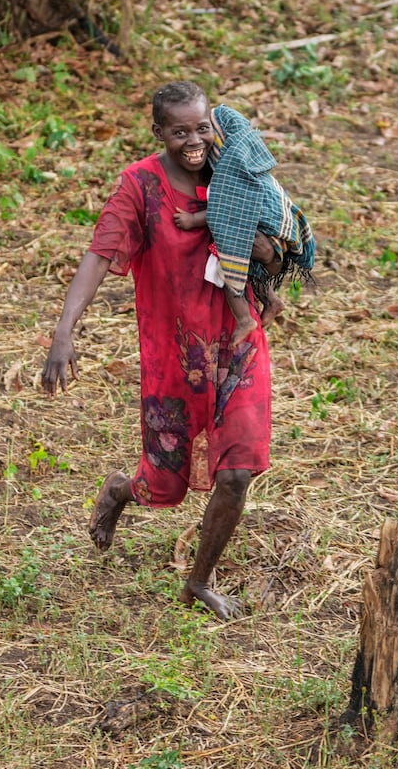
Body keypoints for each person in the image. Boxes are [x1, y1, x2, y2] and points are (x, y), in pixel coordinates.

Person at [41, 81, 281, 620]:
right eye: (180, 132)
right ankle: (120, 492)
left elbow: (274, 241)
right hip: (176, 356)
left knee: (237, 470)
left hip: (240, 341)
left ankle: (199, 581)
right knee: (163, 478)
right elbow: (101, 253)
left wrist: (266, 250)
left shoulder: (234, 170)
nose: (194, 141)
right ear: (159, 133)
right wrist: (63, 332)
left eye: (202, 129)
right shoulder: (141, 187)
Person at [171, 102, 315, 345]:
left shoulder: (234, 174)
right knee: (248, 268)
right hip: (271, 229)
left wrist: (191, 219)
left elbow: (225, 211)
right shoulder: (254, 165)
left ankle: (244, 318)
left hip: (262, 229)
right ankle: (271, 300)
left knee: (229, 265)